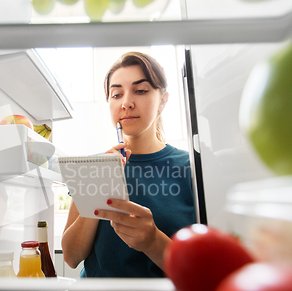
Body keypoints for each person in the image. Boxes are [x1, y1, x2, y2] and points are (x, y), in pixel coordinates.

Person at [61, 51, 196, 279]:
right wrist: (97, 190)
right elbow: (71, 257)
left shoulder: (191, 168)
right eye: (116, 94)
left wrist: (153, 241)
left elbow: (199, 272)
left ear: (163, 100)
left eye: (140, 90)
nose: (126, 103)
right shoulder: (93, 166)